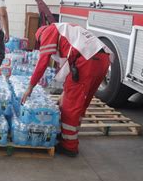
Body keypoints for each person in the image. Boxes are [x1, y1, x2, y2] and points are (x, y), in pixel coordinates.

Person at [21, 23, 113, 157]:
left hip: (87, 61)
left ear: (40, 36)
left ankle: (69, 146)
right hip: (103, 59)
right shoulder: (67, 30)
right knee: (80, 102)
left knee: (70, 106)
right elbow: (70, 66)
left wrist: (30, 87)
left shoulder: (48, 32)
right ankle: (70, 135)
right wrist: (64, 93)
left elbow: (43, 62)